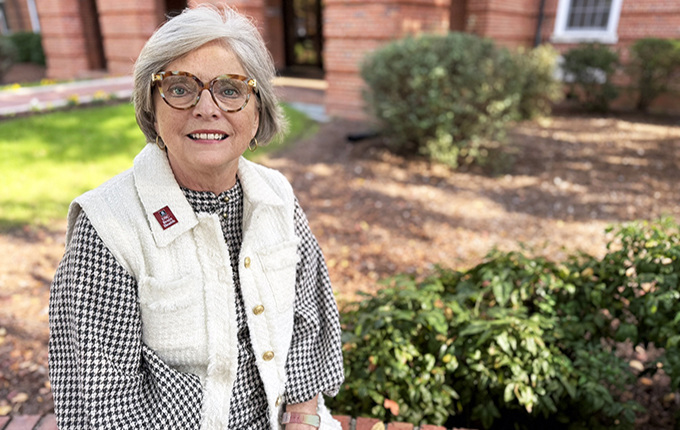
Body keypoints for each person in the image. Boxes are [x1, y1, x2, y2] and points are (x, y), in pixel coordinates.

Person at [48, 5, 344, 429]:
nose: (207, 108)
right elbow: (102, 405)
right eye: (181, 88)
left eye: (230, 89)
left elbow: (307, 319)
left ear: (256, 109)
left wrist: (303, 417)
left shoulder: (276, 195)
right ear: (152, 107)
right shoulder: (108, 227)